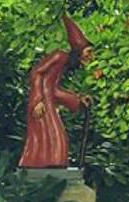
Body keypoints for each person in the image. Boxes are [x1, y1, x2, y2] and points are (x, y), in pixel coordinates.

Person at [18, 14, 93, 168]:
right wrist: (38, 100)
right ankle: (43, 166)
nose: (90, 56)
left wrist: (77, 99)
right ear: (78, 51)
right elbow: (37, 73)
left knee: (53, 137)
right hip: (41, 102)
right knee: (50, 135)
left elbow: (53, 90)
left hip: (47, 101)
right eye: (88, 52)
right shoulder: (59, 56)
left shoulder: (64, 63)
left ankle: (51, 166)